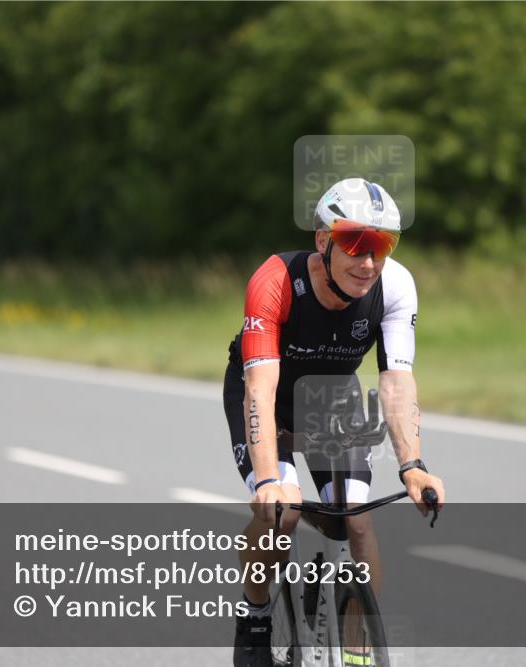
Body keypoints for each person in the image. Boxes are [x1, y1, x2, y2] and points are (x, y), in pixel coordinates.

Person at [223, 179, 446, 667]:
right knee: (281, 516)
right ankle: (255, 613)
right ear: (324, 241)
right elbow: (259, 388)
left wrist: (413, 464)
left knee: (357, 523)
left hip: (329, 399)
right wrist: (267, 480)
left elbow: (396, 382)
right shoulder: (275, 280)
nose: (368, 262)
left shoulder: (395, 285)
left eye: (382, 246)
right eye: (356, 244)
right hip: (264, 396)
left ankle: (357, 655)